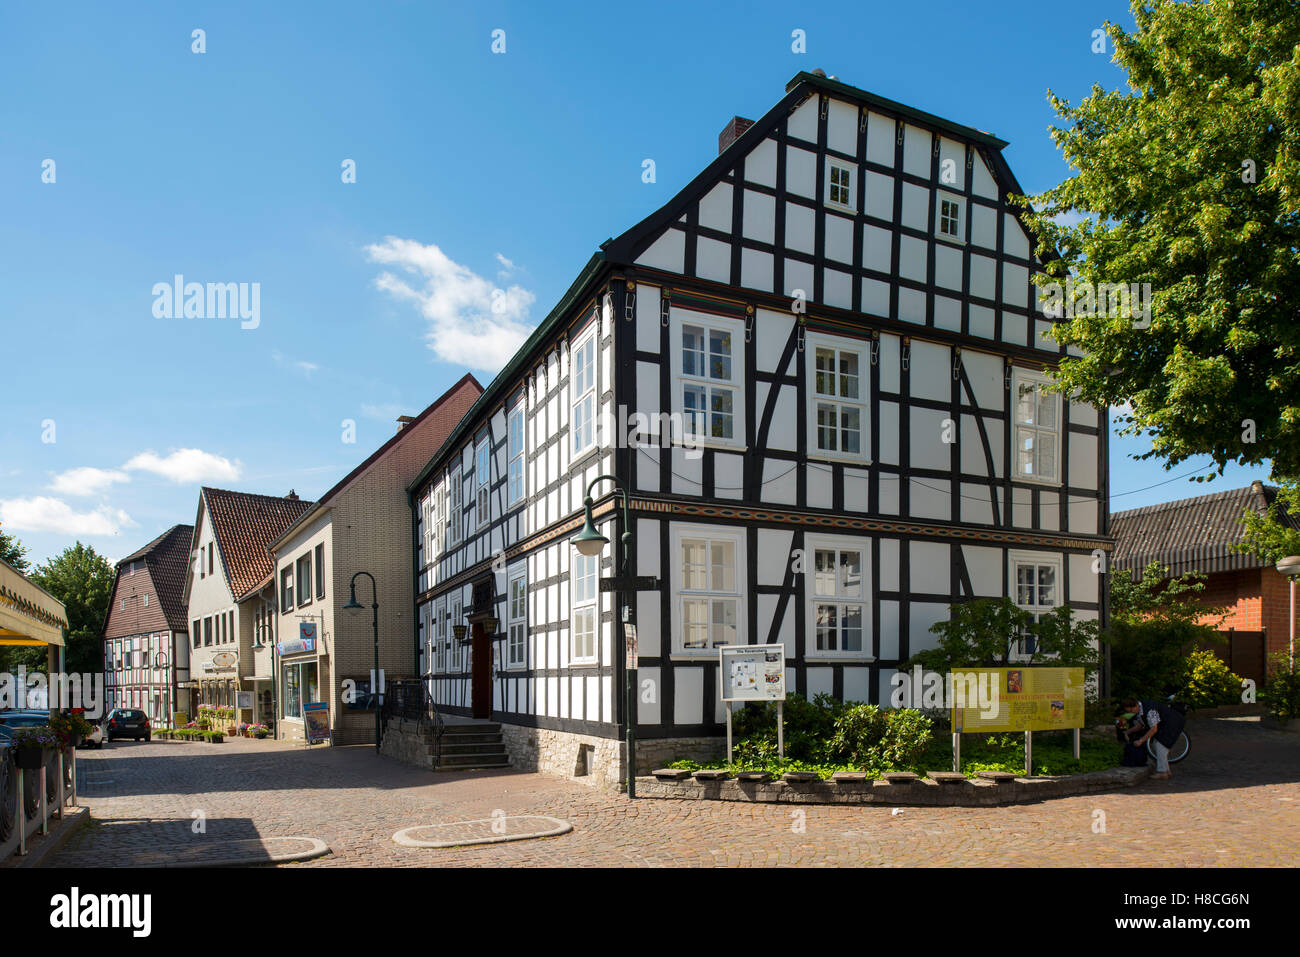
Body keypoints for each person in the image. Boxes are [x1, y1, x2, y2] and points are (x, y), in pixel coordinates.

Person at [1120, 696, 1185, 780]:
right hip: (1166, 724)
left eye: (1131, 710)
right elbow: (1140, 725)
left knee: (1160, 745)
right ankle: (1166, 771)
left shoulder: (1150, 711)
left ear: (1136, 706)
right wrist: (1128, 732)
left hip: (1172, 723)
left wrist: (1141, 740)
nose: (1131, 713)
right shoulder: (1141, 709)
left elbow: (1154, 729)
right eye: (1129, 712)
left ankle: (1162, 772)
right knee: (1156, 745)